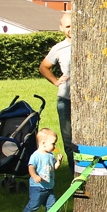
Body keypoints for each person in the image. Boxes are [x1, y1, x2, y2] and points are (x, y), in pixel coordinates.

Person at [39, 12, 75, 173]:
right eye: (68, 26)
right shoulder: (59, 48)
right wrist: (55, 81)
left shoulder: (91, 43)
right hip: (66, 99)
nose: (71, 29)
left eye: (74, 25)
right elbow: (44, 67)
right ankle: (75, 173)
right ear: (61, 28)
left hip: (88, 101)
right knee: (69, 140)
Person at [23, 128, 63, 212]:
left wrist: (58, 162)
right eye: (53, 143)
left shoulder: (50, 155)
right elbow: (31, 167)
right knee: (34, 204)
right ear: (43, 143)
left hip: (49, 186)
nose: (55, 146)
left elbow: (54, 167)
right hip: (37, 187)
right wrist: (34, 176)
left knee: (51, 204)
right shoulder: (36, 156)